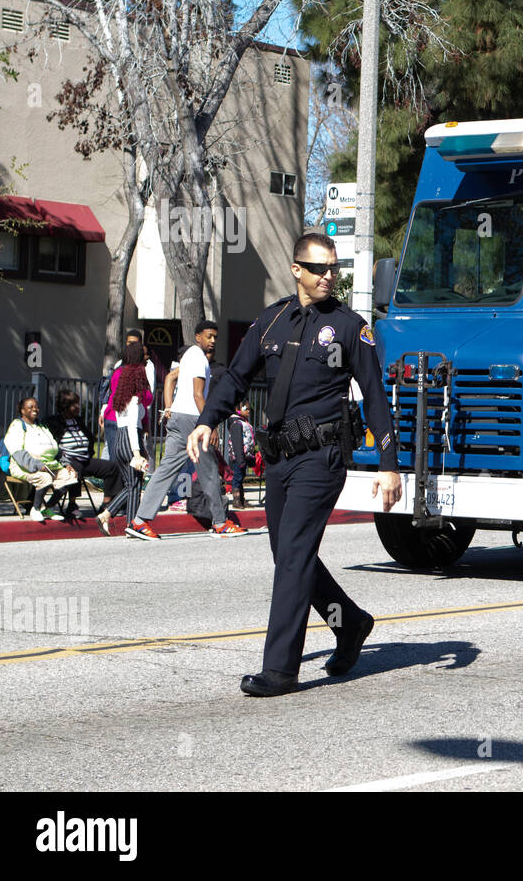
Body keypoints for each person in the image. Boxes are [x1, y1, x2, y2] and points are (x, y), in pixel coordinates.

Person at [188, 232, 401, 697]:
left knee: (293, 560)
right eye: (320, 268)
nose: (329, 276)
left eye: (334, 269)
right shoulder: (271, 321)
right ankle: (351, 623)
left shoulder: (350, 326)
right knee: (290, 557)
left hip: (321, 458)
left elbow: (375, 398)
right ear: (297, 269)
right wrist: (207, 421)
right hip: (279, 457)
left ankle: (279, 670)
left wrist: (389, 462)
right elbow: (236, 378)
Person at [130, 320, 243, 540]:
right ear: (197, 336)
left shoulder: (188, 355)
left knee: (165, 469)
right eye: (209, 336)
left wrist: (169, 406)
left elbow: (170, 378)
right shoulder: (199, 358)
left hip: (178, 419)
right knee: (209, 470)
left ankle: (139, 521)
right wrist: (210, 425)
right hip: (193, 420)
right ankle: (220, 523)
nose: (213, 341)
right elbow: (198, 395)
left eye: (215, 338)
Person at [96, 345, 152, 535]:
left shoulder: (121, 401)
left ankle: (130, 524)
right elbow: (131, 427)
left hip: (119, 441)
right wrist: (137, 453)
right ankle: (113, 517)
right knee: (134, 484)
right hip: (129, 442)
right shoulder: (135, 402)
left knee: (132, 484)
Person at [46, 389, 121, 517]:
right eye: (74, 404)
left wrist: (87, 453)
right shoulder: (54, 422)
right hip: (67, 461)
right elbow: (53, 445)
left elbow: (89, 438)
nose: (78, 407)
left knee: (112, 467)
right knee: (76, 469)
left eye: (77, 403)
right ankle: (70, 505)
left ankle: (106, 504)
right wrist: (64, 461)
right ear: (65, 406)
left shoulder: (78, 420)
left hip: (84, 459)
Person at [3, 397, 78, 522]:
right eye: (30, 407)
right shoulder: (17, 426)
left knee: (70, 476)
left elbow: (54, 449)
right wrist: (36, 465)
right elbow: (17, 452)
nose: (35, 409)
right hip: (25, 466)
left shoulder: (42, 426)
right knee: (45, 478)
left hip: (49, 465)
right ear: (22, 410)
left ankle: (47, 508)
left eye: (36, 406)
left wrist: (66, 464)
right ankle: (36, 509)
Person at [223, 401, 256, 509]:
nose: (249, 411)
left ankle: (242, 499)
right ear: (238, 409)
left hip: (244, 456)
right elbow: (237, 442)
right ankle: (236, 500)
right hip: (238, 457)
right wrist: (240, 459)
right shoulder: (237, 423)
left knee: (241, 478)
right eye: (246, 408)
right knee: (237, 478)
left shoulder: (242, 422)